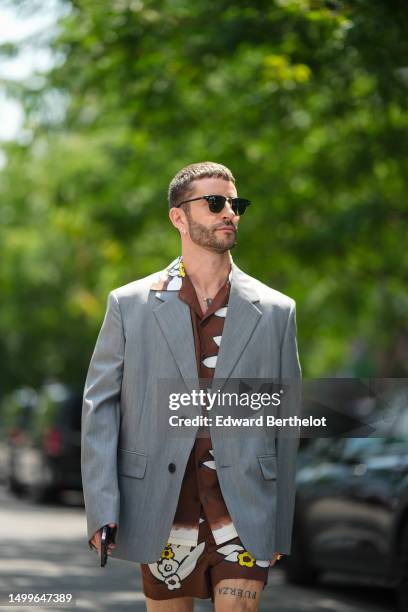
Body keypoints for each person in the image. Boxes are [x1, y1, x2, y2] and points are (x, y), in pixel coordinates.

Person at [81, 161, 302, 611]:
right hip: (162, 506)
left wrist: (280, 524)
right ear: (178, 216)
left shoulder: (277, 311)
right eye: (215, 203)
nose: (230, 214)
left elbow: (285, 421)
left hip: (243, 509)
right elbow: (100, 407)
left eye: (235, 205)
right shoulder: (130, 305)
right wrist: (103, 507)